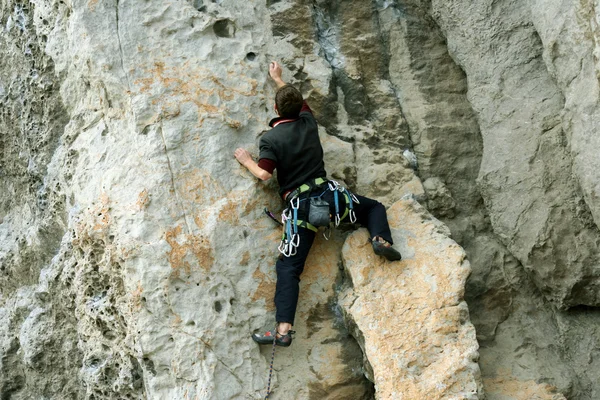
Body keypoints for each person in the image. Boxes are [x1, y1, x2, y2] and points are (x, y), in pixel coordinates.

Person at [234, 61, 401, 347]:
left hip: (302, 210)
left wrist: (246, 160)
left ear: (275, 111)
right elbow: (294, 100)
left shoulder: (270, 139)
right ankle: (380, 239)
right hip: (331, 198)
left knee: (289, 268)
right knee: (373, 207)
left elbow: (264, 174)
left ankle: (283, 331)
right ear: (300, 108)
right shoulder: (309, 122)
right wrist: (278, 79)